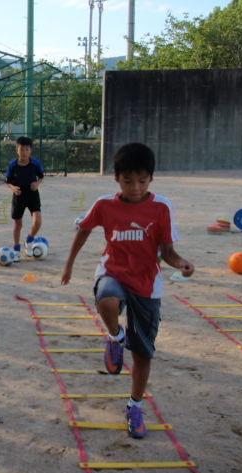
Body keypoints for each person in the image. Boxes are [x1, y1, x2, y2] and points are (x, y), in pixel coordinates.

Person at [61, 142, 194, 439]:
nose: (135, 188)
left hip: (147, 283)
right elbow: (84, 229)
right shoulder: (104, 205)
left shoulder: (161, 207)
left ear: (151, 179)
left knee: (143, 352)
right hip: (113, 272)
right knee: (106, 300)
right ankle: (115, 336)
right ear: (116, 178)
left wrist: (181, 263)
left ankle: (135, 406)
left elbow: (168, 251)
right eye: (128, 181)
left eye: (142, 181)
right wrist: (69, 265)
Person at [5, 136, 45, 261]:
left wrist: (36, 184)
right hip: (19, 196)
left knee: (37, 221)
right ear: (17, 150)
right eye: (21, 149)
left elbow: (41, 176)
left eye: (27, 149)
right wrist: (14, 188)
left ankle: (29, 239)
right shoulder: (13, 165)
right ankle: (16, 248)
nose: (24, 152)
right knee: (18, 223)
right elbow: (8, 181)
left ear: (30, 150)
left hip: (33, 195)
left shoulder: (35, 163)